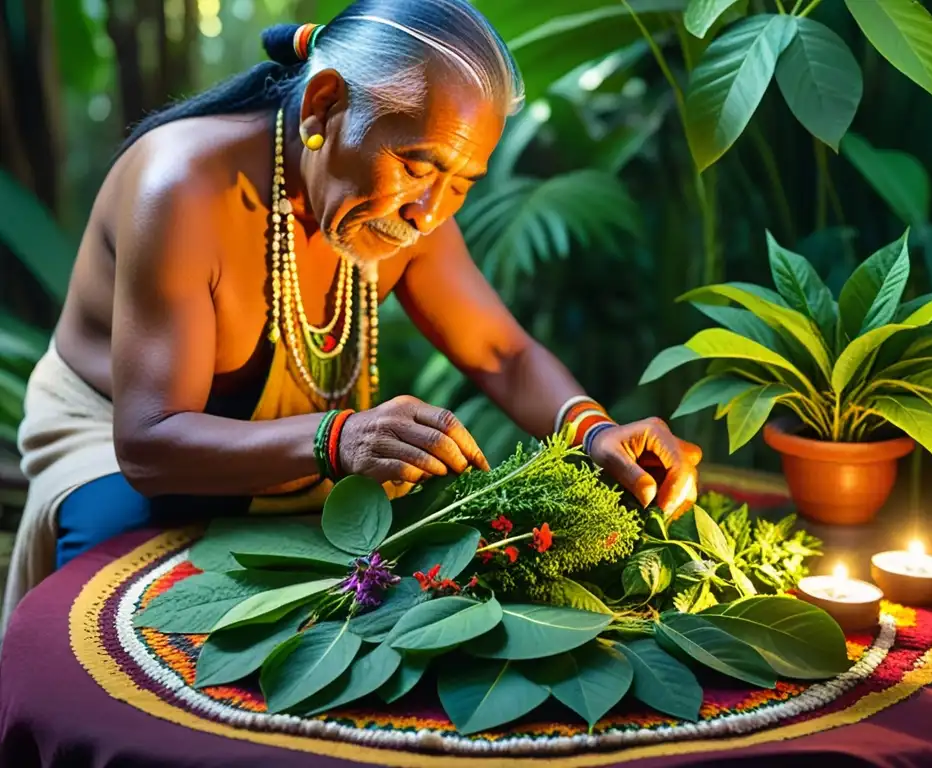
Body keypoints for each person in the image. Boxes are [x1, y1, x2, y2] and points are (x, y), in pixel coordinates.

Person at [1, 0, 700, 634]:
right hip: (118, 450)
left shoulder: (410, 214)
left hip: (304, 451)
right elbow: (149, 444)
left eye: (461, 184)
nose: (429, 212)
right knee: (123, 631)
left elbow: (502, 355)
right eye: (418, 165)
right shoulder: (182, 188)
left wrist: (597, 429)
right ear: (323, 107)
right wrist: (339, 438)